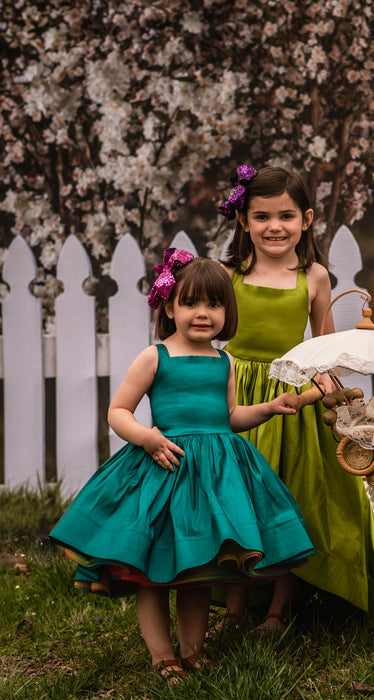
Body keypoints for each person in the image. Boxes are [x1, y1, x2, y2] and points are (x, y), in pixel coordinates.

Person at [50, 250, 319, 683]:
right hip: (166, 470)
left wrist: (268, 407)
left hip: (215, 476)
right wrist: (147, 436)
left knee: (197, 571)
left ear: (227, 312)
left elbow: (229, 417)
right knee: (153, 573)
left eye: (214, 304)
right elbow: (118, 411)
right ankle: (162, 655)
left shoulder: (224, 361)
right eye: (190, 303)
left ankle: (194, 651)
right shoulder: (155, 358)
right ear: (169, 306)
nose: (202, 313)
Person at [217, 164, 374, 632]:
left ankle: (281, 607)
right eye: (261, 217)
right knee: (238, 501)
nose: (274, 227)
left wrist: (320, 391)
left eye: (286, 216)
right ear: (243, 221)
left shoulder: (313, 277)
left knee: (289, 497)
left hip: (289, 395)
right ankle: (235, 610)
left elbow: (323, 350)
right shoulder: (229, 274)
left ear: (307, 219)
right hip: (235, 391)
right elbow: (206, 334)